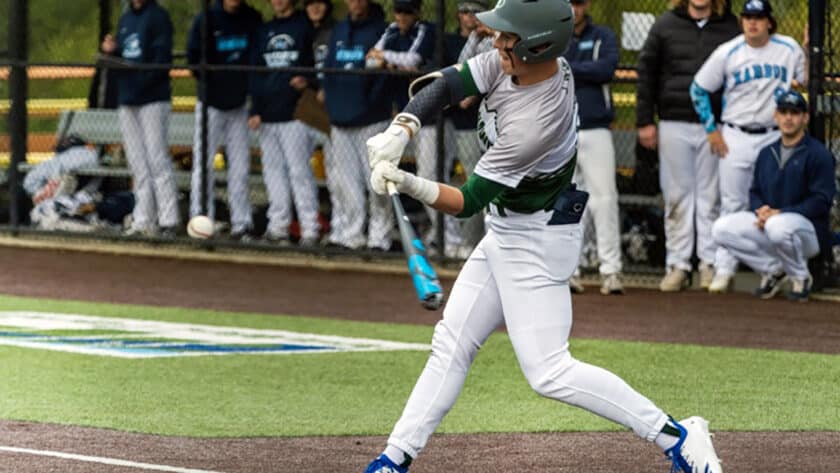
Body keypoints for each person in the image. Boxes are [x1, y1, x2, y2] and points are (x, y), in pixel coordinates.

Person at [362, 2, 723, 473]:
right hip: (507, 229)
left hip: (534, 242)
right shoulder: (516, 59)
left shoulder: (537, 122)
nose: (495, 41)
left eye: (506, 36)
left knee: (549, 371)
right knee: (451, 344)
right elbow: (448, 84)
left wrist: (408, 182)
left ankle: (678, 436)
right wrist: (402, 128)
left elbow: (467, 200)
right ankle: (394, 459)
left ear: (536, 46)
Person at [691, 0, 807, 293]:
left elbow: (806, 81)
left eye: (758, 17)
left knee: (775, 205)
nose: (752, 22)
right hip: (736, 135)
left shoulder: (789, 48)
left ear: (769, 21)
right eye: (747, 17)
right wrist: (711, 130)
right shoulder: (729, 51)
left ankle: (780, 269)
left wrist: (807, 49)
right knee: (732, 205)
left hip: (774, 135)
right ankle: (725, 270)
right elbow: (699, 88)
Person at [636, 0, 740, 292]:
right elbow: (646, 72)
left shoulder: (730, 26)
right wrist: (645, 120)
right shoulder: (665, 24)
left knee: (710, 198)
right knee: (677, 197)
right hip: (673, 120)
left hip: (716, 127)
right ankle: (678, 265)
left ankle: (709, 264)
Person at [712, 90, 836, 302]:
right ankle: (774, 270)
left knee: (777, 226)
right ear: (775, 116)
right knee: (721, 229)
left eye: (795, 113)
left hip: (808, 233)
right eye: (784, 112)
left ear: (805, 118)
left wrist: (780, 213)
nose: (789, 118)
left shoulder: (818, 154)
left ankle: (800, 277)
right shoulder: (766, 152)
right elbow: (755, 191)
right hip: (771, 225)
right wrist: (760, 210)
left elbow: (821, 201)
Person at [101, 0, 179, 238]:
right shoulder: (126, 19)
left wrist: (140, 79)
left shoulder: (158, 16)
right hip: (128, 99)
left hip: (152, 99)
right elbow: (125, 57)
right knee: (137, 163)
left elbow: (161, 60)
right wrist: (112, 52)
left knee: (157, 159)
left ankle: (169, 220)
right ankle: (143, 219)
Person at [187, 0, 263, 241]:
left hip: (240, 104)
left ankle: (242, 223)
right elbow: (193, 58)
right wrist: (213, 81)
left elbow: (258, 57)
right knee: (203, 164)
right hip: (211, 103)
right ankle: (200, 219)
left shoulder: (252, 18)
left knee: (240, 167)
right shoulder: (206, 18)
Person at [321, 0, 394, 251]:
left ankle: (379, 238)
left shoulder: (383, 30)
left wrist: (370, 103)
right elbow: (329, 68)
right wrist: (332, 105)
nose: (356, 3)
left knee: (377, 182)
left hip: (372, 120)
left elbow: (384, 75)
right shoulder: (339, 30)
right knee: (346, 183)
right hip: (341, 119)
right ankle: (351, 235)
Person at [564, 0, 623, 295]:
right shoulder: (554, 35)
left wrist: (569, 68)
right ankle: (567, 271)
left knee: (604, 200)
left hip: (597, 128)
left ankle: (610, 271)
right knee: (567, 201)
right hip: (562, 132)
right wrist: (582, 70)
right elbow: (547, 72)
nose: (575, 8)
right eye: (570, 3)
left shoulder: (603, 35)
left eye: (579, 2)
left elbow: (606, 68)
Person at [249, 0, 320, 247]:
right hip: (268, 115)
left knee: (300, 172)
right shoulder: (263, 30)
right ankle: (278, 227)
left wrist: (308, 81)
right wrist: (255, 109)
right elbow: (256, 72)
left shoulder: (303, 26)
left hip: (296, 114)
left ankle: (310, 229)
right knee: (273, 174)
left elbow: (315, 63)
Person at [447, 0, 493, 258]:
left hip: (489, 123)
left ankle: (485, 241)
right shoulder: (473, 39)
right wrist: (474, 36)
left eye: (476, 13)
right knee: (473, 182)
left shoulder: (497, 39)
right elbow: (463, 66)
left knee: (487, 182)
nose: (471, 18)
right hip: (466, 124)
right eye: (465, 12)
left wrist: (472, 92)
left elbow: (485, 74)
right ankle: (471, 240)